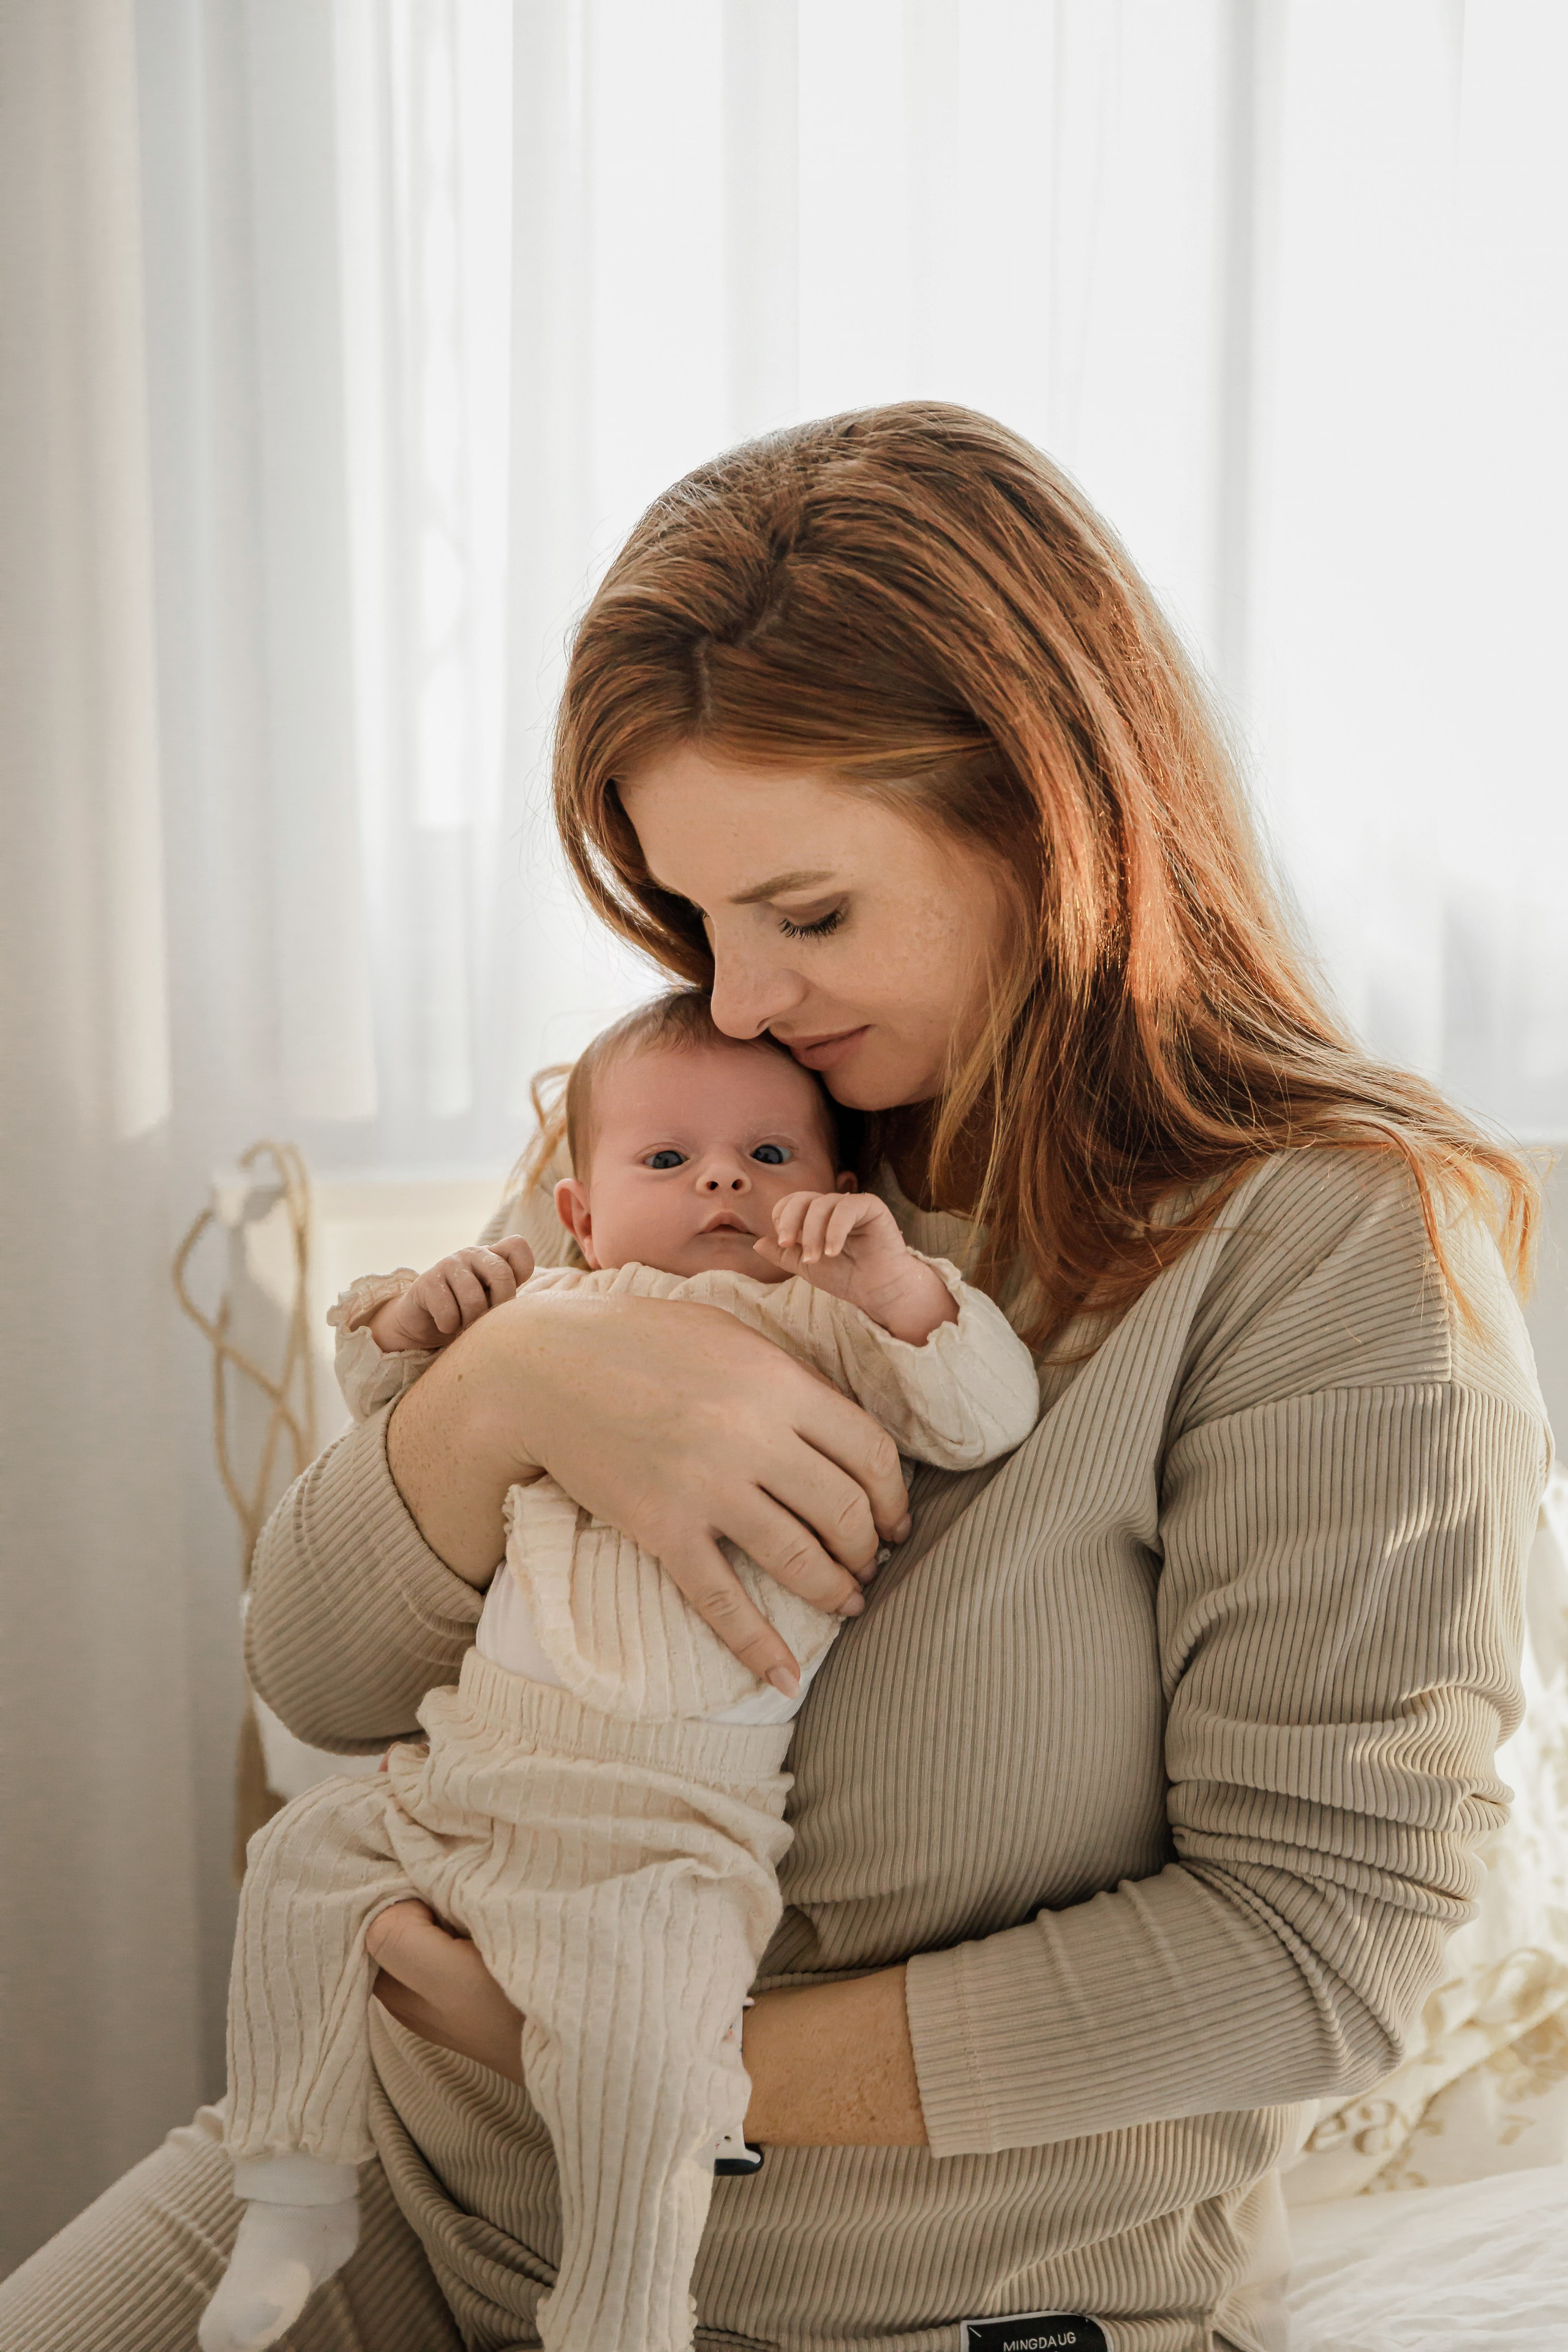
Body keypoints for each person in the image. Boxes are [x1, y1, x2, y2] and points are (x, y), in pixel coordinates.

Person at [0, 402, 1548, 2352]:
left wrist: (657, 2058)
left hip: (904, 2309)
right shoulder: (718, 1123)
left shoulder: (1328, 1249)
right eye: (692, 916)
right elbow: (321, 1667)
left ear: (1044, 818)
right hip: (412, 2188)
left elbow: (1323, 1956)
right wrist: (517, 1391)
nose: (740, 1000)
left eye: (807, 913)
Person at [198, 988, 1038, 2352]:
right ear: (577, 1214)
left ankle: (622, 2313)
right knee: (300, 1868)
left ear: (833, 1189)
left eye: (769, 1160)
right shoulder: (550, 1310)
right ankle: (292, 2195)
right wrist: (426, 1323)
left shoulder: (823, 1330)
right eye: (667, 1160)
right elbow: (387, 1432)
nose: (720, 1180)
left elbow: (984, 1409)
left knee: (645, 2061)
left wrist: (887, 1281)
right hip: (473, 1771)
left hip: (670, 1823)